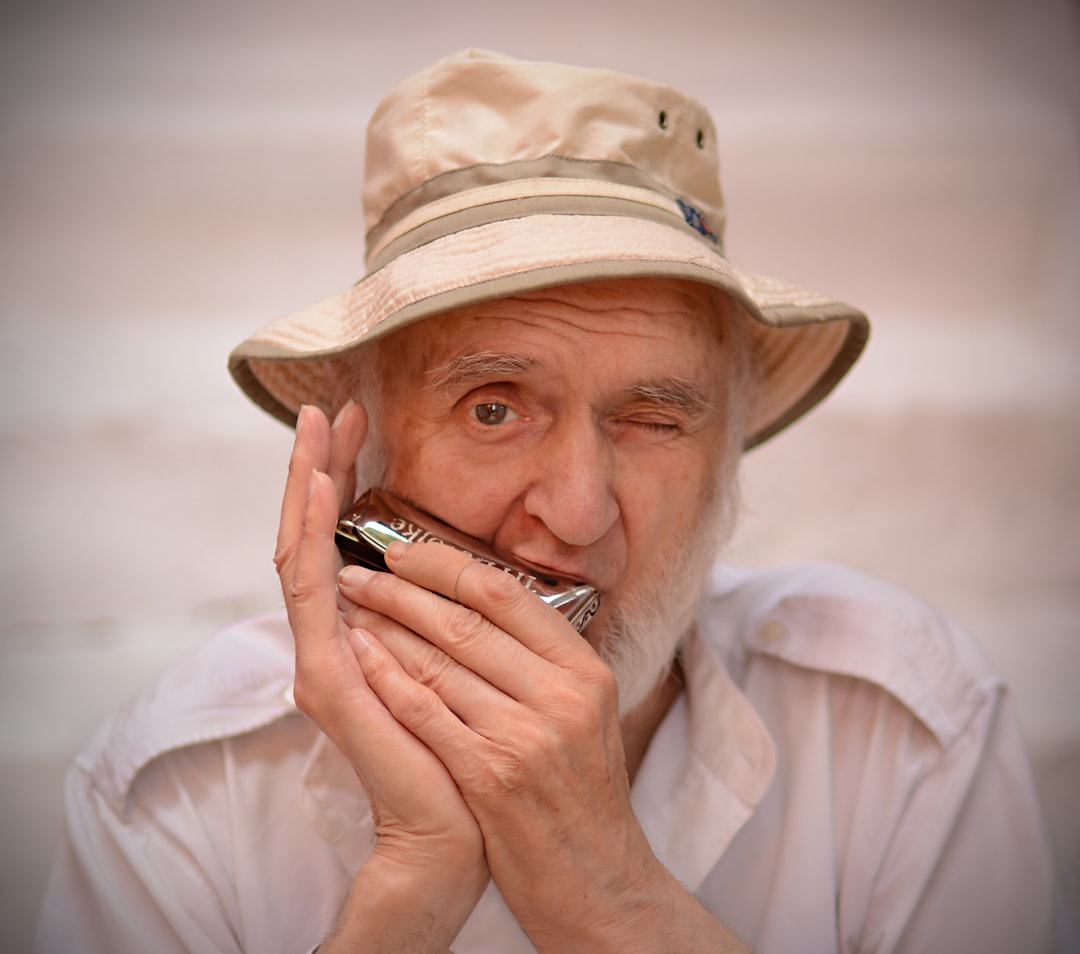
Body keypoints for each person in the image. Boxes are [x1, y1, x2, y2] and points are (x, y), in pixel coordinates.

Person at [35, 50, 1073, 953]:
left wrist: (610, 898)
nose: (577, 512)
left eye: (654, 418)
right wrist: (409, 892)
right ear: (364, 454)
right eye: (494, 409)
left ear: (729, 455)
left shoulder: (902, 728)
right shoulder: (174, 793)